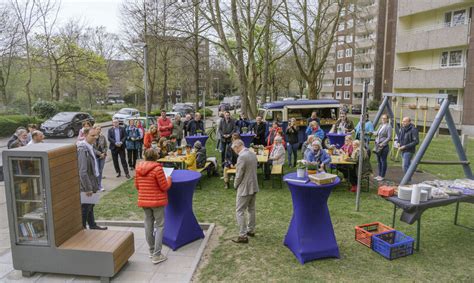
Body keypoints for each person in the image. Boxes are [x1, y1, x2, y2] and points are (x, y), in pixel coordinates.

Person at [134, 148, 172, 264]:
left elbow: (137, 186)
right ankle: (157, 254)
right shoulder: (157, 169)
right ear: (156, 157)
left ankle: (151, 251)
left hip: (144, 201)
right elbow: (164, 187)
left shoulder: (138, 168)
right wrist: (169, 179)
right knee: (160, 226)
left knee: (148, 225)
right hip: (157, 201)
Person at [77, 127, 107, 230]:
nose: (95, 137)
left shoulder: (89, 146)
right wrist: (88, 188)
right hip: (88, 185)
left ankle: (92, 225)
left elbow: (94, 151)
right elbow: (82, 172)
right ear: (85, 135)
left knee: (91, 206)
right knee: (85, 208)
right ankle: (82, 229)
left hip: (93, 181)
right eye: (92, 135)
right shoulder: (82, 149)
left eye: (96, 135)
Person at [231, 139, 259, 244]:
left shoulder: (242, 157)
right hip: (254, 185)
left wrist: (235, 185)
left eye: (234, 149)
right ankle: (250, 230)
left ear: (238, 146)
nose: (234, 151)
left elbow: (239, 174)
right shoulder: (252, 153)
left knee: (239, 211)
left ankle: (242, 235)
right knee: (251, 209)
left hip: (245, 187)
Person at [373, 114, 392, 181]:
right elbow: (376, 133)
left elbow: (389, 137)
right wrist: (371, 132)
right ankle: (379, 175)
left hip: (384, 147)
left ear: (387, 119)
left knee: (383, 160)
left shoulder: (388, 126)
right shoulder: (380, 125)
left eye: (384, 118)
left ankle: (382, 175)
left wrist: (383, 143)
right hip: (377, 145)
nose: (383, 119)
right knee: (378, 161)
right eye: (382, 118)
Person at [93, 125, 107, 191]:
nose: (99, 130)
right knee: (97, 171)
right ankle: (96, 185)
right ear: (94, 129)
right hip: (96, 156)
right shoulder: (92, 137)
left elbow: (106, 146)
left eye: (99, 129)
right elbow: (92, 148)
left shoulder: (102, 137)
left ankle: (99, 185)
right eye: (97, 129)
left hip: (103, 156)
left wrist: (103, 153)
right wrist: (99, 153)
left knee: (100, 171)